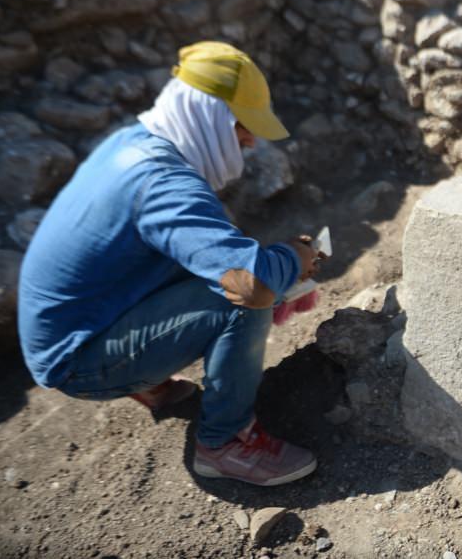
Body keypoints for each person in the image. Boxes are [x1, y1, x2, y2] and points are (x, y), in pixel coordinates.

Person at [18, 42, 320, 486]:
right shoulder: (163, 184)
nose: (251, 140)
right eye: (242, 125)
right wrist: (295, 258)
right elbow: (250, 285)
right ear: (209, 115)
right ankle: (224, 443)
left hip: (69, 325)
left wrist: (273, 268)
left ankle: (146, 377)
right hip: (73, 358)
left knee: (220, 257)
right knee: (240, 298)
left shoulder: (135, 141)